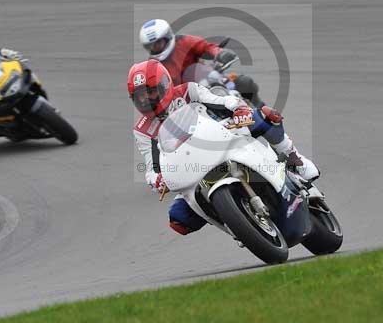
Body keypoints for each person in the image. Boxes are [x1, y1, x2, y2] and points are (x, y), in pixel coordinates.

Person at [128, 59, 319, 235]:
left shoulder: (189, 91)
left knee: (264, 117)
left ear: (164, 84)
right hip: (191, 166)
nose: (147, 99)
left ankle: (296, 159)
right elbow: (150, 166)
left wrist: (238, 108)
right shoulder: (142, 130)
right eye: (140, 97)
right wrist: (156, 180)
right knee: (179, 218)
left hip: (221, 135)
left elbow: (221, 101)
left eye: (150, 92)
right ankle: (235, 224)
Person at [138, 19, 259, 97]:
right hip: (183, 100)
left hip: (207, 82)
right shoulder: (153, 66)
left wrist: (219, 53)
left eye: (158, 43)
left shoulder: (185, 42)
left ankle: (264, 114)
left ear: (167, 37)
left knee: (245, 83)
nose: (155, 48)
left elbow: (206, 47)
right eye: (151, 46)